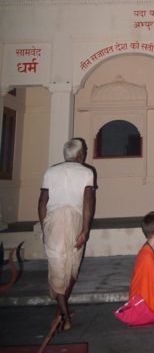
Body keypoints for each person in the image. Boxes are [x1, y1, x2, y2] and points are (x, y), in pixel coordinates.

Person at [38, 137, 95, 331]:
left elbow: (42, 202)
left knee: (59, 268)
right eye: (84, 151)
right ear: (79, 155)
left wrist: (44, 226)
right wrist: (85, 230)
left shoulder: (51, 171)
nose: (85, 153)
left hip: (53, 221)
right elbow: (88, 202)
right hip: (74, 221)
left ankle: (62, 312)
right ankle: (64, 316)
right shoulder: (87, 172)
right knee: (70, 268)